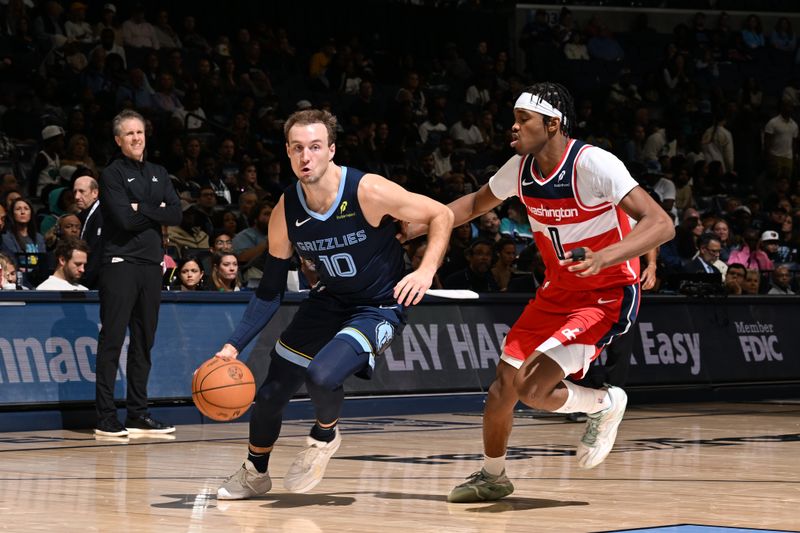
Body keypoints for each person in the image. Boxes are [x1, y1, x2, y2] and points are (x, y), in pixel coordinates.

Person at [409, 82, 674, 503]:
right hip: (556, 292)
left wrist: (605, 258)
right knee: (502, 388)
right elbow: (474, 204)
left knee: (532, 388)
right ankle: (493, 476)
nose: (512, 128)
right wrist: (420, 223)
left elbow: (660, 223)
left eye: (522, 120)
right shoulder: (519, 169)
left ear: (553, 124)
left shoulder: (593, 163)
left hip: (606, 292)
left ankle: (604, 402)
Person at [214, 108, 452, 499]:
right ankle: (255, 472)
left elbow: (440, 214)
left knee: (322, 376)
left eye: (315, 147)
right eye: (297, 149)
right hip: (329, 300)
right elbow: (270, 289)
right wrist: (233, 346)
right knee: (272, 392)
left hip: (379, 303)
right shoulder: (286, 211)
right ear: (288, 154)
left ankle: (324, 437)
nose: (305, 157)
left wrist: (425, 270)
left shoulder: (367, 191)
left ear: (331, 150)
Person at [94, 109, 182, 438]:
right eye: (129, 134)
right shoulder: (112, 174)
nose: (136, 138)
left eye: (140, 132)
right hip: (119, 264)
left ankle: (137, 413)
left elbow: (176, 214)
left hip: (149, 266)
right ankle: (105, 417)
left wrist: (140, 207)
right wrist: (154, 211)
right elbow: (124, 221)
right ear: (118, 140)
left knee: (144, 342)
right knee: (113, 340)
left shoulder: (159, 171)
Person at [73, 175, 103, 289]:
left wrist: (84, 283)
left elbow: (96, 253)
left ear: (95, 193)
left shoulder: (101, 215)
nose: (76, 196)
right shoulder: (82, 215)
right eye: (75, 191)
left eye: (81, 191)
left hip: (96, 284)